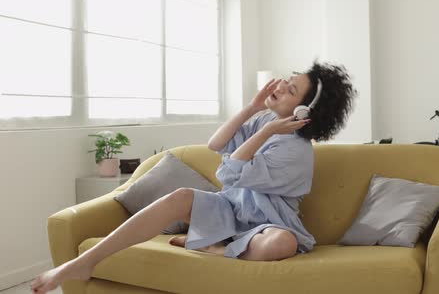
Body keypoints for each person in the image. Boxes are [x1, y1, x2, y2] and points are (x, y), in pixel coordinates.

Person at [30, 61, 357, 294]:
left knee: (282, 243)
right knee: (180, 196)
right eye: (286, 82)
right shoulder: (261, 123)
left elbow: (226, 171)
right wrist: (252, 108)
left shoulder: (296, 152)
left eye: (289, 90)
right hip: (231, 209)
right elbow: (216, 145)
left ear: (304, 113)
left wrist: (270, 128)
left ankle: (214, 246)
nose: (279, 88)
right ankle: (87, 261)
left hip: (267, 223)